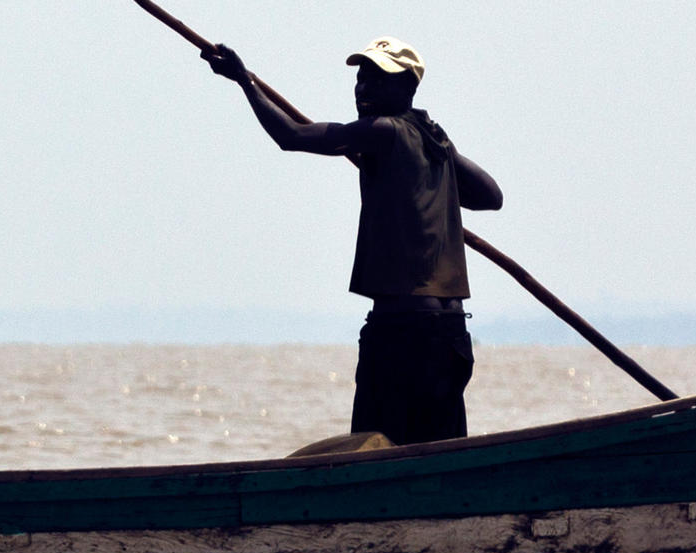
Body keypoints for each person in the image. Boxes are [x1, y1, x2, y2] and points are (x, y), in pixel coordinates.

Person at [204, 35, 503, 446]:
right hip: (449, 334)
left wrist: (243, 81)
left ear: (407, 88)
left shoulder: (384, 131)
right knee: (437, 448)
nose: (364, 90)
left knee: (376, 446)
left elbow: (291, 136)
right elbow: (490, 196)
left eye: (378, 81)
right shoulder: (433, 139)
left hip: (404, 330)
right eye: (361, 80)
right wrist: (444, 167)